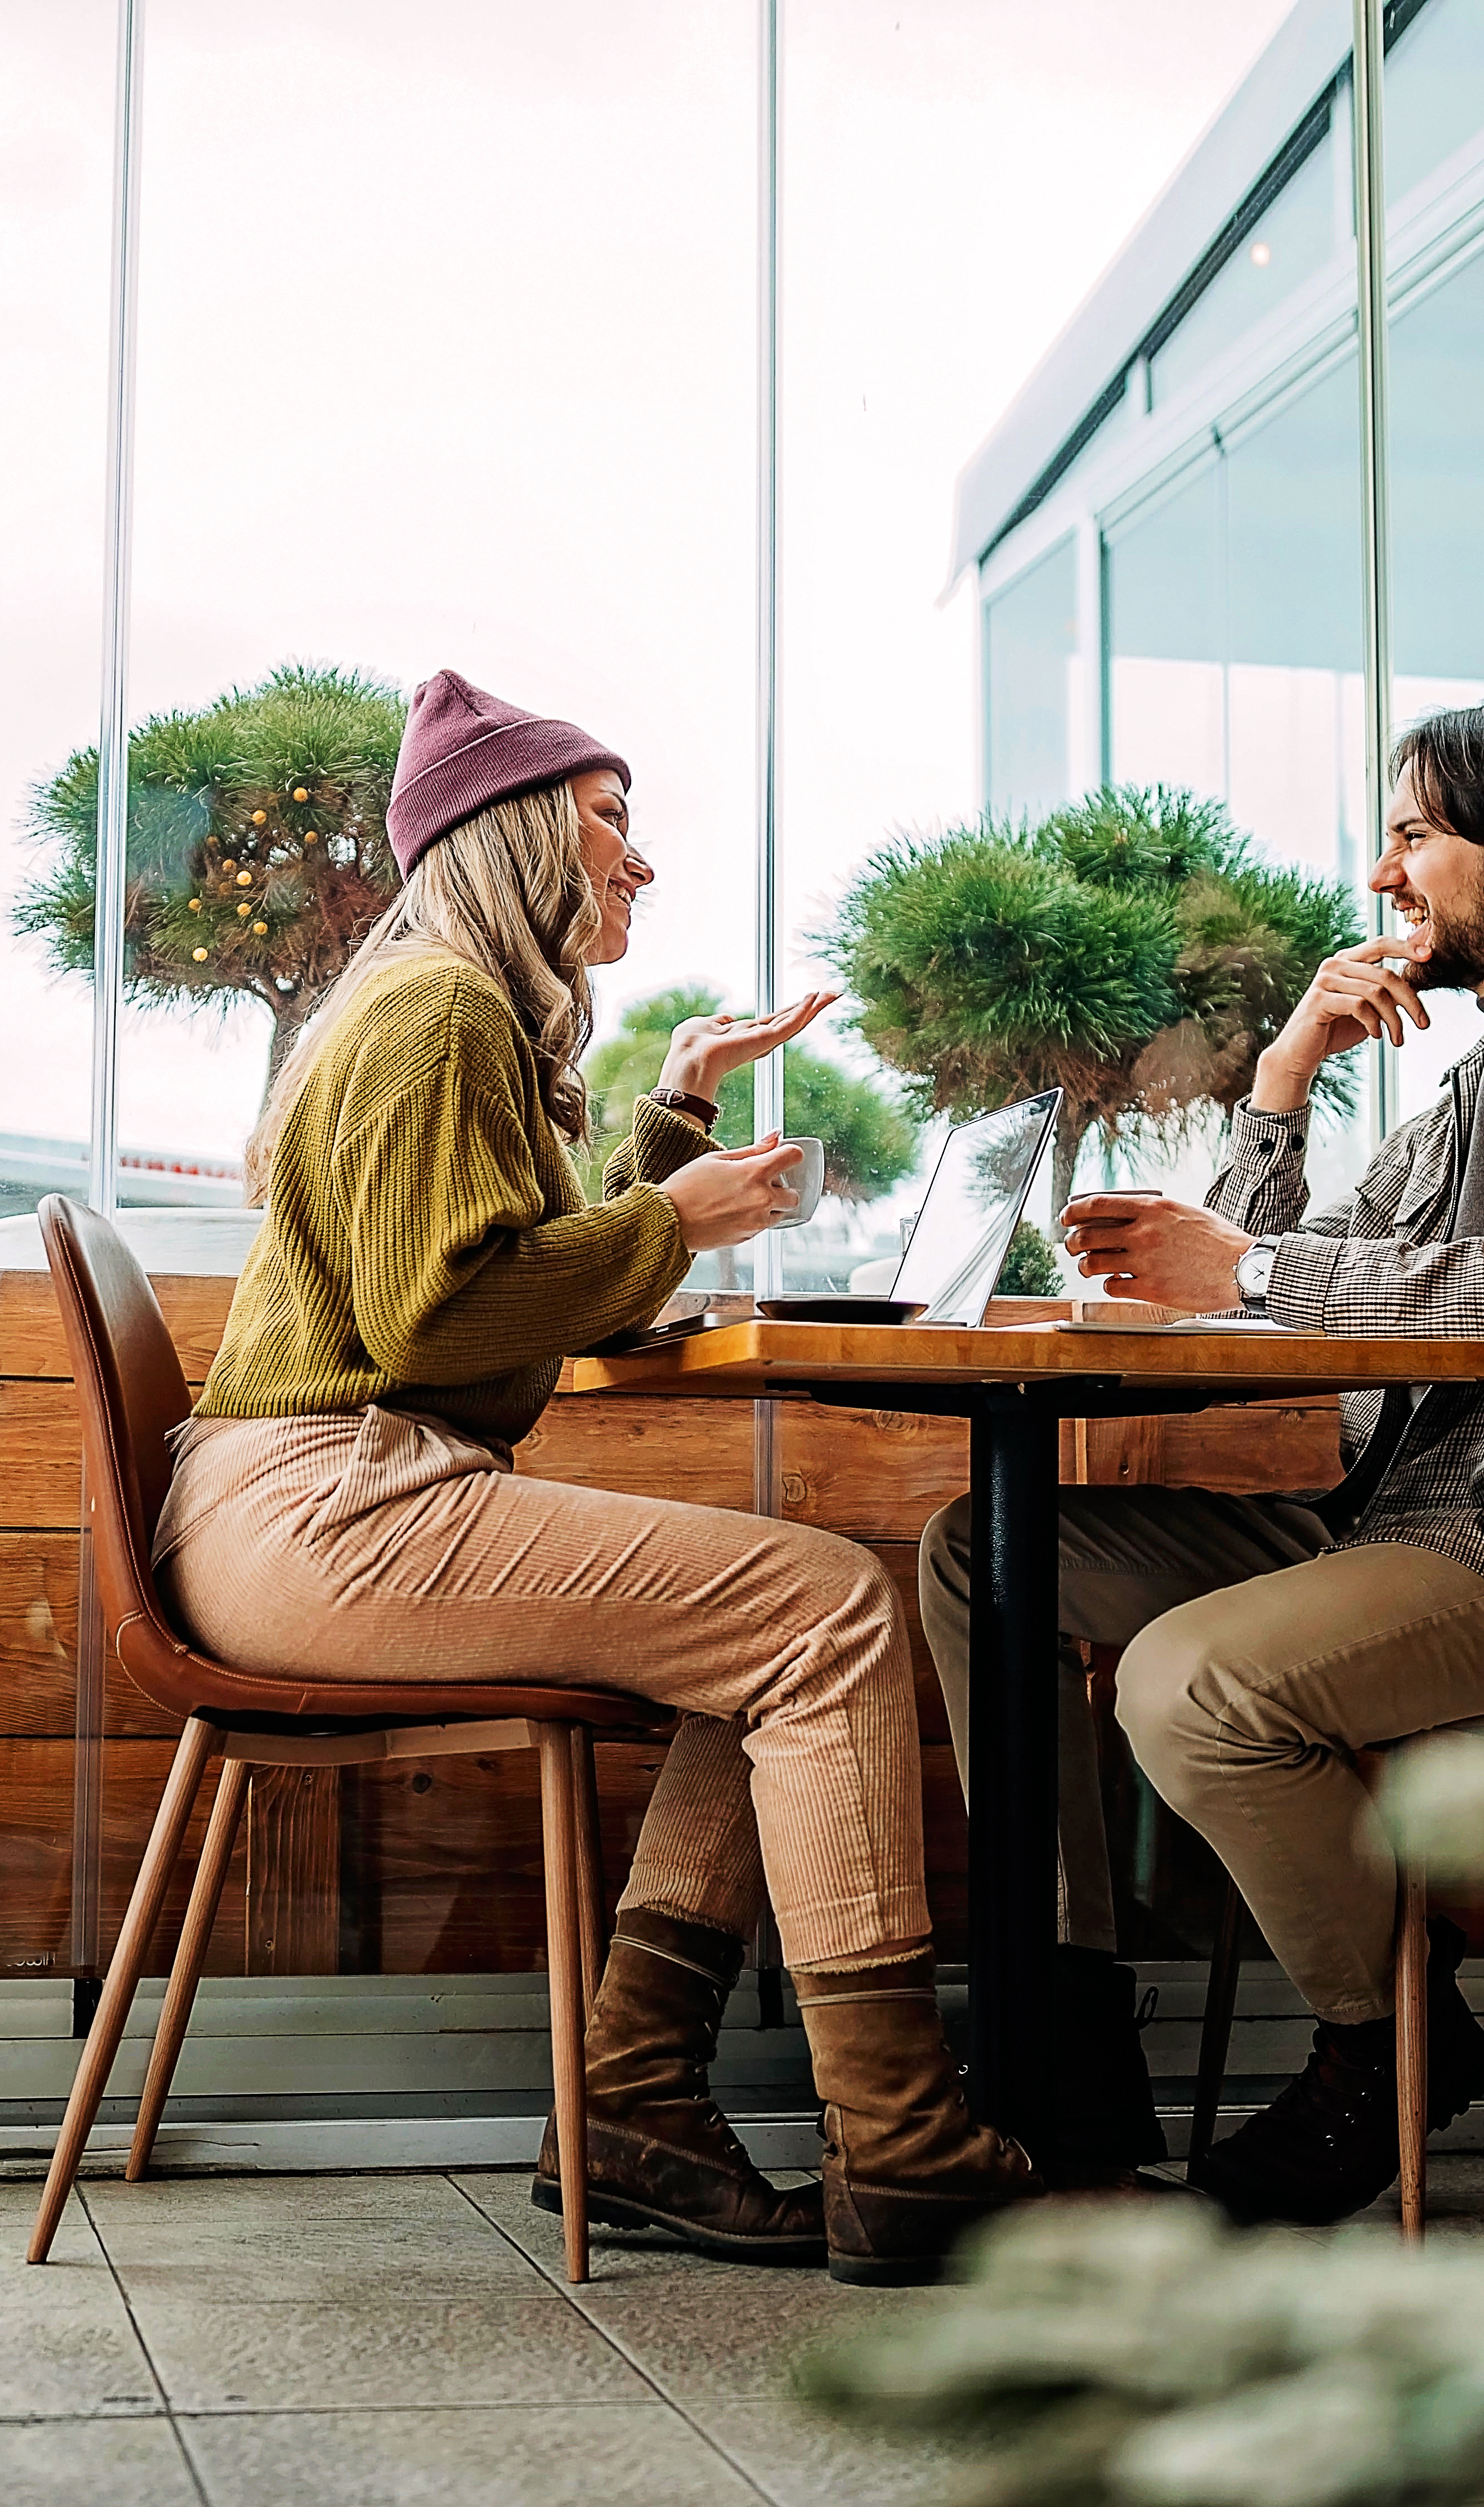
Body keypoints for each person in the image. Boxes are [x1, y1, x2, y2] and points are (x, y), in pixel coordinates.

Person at [159, 668, 1040, 2284]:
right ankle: (908, 2150)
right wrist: (684, 1222)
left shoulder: (430, 1003)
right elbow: (446, 1318)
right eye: (610, 819)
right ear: (510, 837)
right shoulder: (440, 1011)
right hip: (338, 1502)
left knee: (767, 1636)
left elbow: (496, 1260)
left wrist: (670, 1124)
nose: (640, 859)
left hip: (305, 1495)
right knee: (835, 1606)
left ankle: (633, 2102)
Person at [917, 693, 1484, 2223]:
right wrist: (1284, 1070)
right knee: (985, 1554)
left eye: (1411, 838)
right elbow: (1270, 1276)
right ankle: (1065, 2053)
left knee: (1192, 1682)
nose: (1383, 880)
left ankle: (1384, 2037)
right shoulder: (1473, 1086)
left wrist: (1251, 1277)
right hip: (1400, 1527)